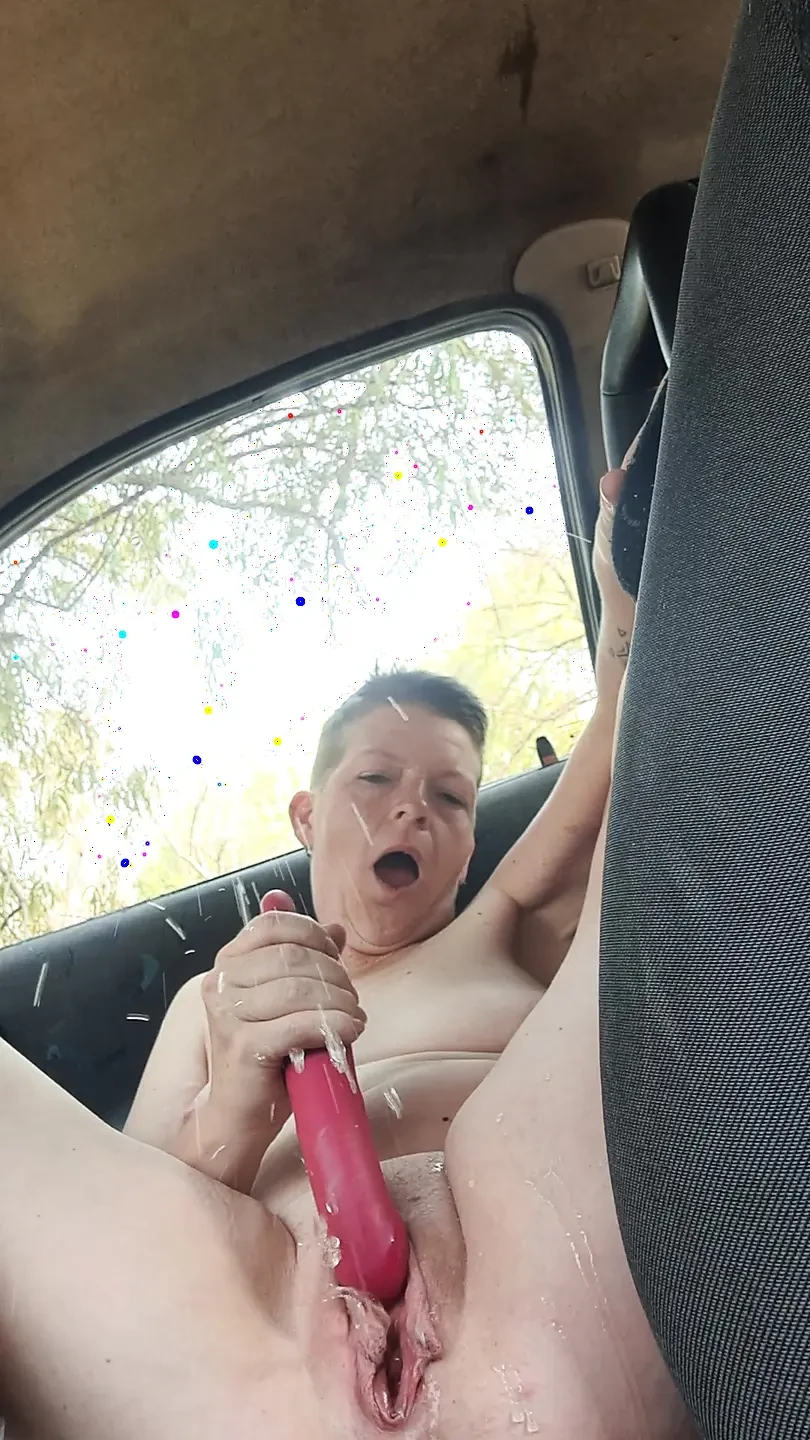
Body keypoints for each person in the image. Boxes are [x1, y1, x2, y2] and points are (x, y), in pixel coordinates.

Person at [0, 454, 696, 1439]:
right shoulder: (214, 999)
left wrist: (627, 605)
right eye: (375, 779)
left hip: (548, 1268)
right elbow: (134, 1208)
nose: (413, 806)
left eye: (450, 796)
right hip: (234, 1355)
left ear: (468, 848)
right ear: (305, 814)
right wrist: (236, 1103)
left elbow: (626, 753)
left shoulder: (505, 926)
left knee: (660, 844)